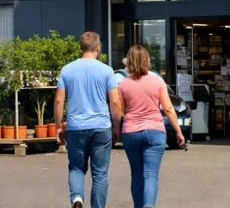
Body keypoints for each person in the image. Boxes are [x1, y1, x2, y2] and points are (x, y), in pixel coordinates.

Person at [55, 32, 123, 208]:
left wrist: (58, 127)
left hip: (76, 127)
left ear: (81, 47)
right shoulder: (107, 71)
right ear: (98, 48)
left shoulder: (67, 70)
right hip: (101, 127)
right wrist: (116, 127)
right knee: (100, 174)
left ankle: (77, 197)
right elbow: (115, 101)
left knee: (76, 167)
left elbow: (58, 100)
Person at [117, 45, 186, 208]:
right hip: (155, 131)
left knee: (136, 173)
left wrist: (116, 130)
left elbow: (120, 112)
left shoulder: (122, 84)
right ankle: (149, 205)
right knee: (151, 174)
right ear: (147, 60)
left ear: (130, 62)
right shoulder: (158, 82)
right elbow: (168, 109)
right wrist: (178, 131)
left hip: (131, 132)